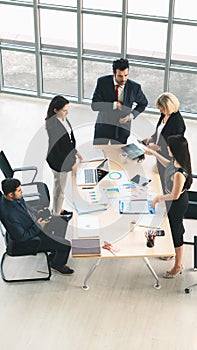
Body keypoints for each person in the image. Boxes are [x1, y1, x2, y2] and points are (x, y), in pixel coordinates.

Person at [0, 178, 74, 275]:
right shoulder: (11, 215)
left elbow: (25, 207)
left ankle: (55, 250)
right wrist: (39, 226)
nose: (22, 191)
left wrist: (36, 213)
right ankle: (57, 264)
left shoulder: (13, 198)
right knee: (66, 245)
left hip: (32, 224)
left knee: (62, 221)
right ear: (10, 194)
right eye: (18, 190)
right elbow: (22, 237)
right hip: (30, 239)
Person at [144, 135, 192, 278]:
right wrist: (154, 153)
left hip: (176, 204)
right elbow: (167, 164)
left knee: (176, 231)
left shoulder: (179, 174)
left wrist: (158, 198)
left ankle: (178, 265)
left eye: (169, 146)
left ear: (175, 150)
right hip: (170, 201)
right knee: (160, 222)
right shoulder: (175, 161)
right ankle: (158, 244)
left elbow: (175, 196)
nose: (167, 148)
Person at [91, 58, 148, 145]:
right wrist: (114, 105)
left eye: (126, 75)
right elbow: (94, 105)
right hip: (103, 127)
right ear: (114, 73)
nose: (124, 79)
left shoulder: (134, 87)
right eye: (120, 76)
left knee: (118, 156)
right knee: (98, 154)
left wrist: (131, 116)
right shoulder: (102, 82)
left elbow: (143, 103)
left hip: (122, 130)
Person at [45, 95, 82, 215]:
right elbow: (60, 150)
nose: (67, 113)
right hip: (59, 163)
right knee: (59, 190)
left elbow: (67, 142)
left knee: (59, 187)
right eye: (65, 110)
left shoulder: (60, 119)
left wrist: (74, 151)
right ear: (56, 110)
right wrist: (72, 164)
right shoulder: (54, 127)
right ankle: (56, 214)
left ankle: (57, 209)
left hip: (61, 158)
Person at [142, 92, 186, 188]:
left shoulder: (178, 124)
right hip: (160, 156)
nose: (160, 111)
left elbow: (174, 148)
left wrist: (157, 148)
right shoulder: (164, 114)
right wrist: (151, 138)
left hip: (168, 158)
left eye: (162, 108)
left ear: (169, 107)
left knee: (161, 181)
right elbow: (160, 130)